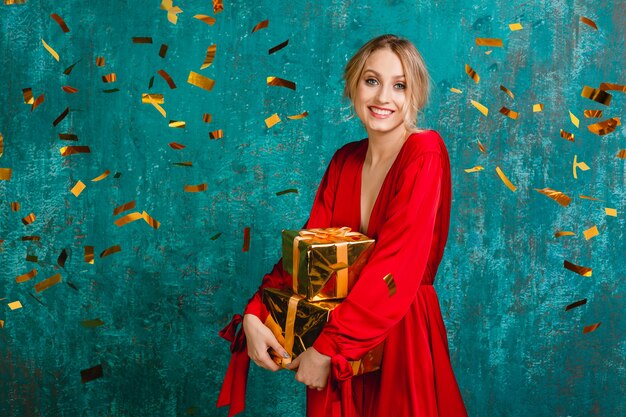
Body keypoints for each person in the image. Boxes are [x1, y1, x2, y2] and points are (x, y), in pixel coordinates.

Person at [218, 34, 468, 417]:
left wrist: (328, 349)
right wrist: (257, 312)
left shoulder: (425, 152)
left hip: (397, 334)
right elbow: (308, 256)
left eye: (399, 85)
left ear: (415, 94)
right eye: (372, 81)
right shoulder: (345, 160)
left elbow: (395, 269)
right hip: (337, 333)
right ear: (353, 85)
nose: (383, 97)